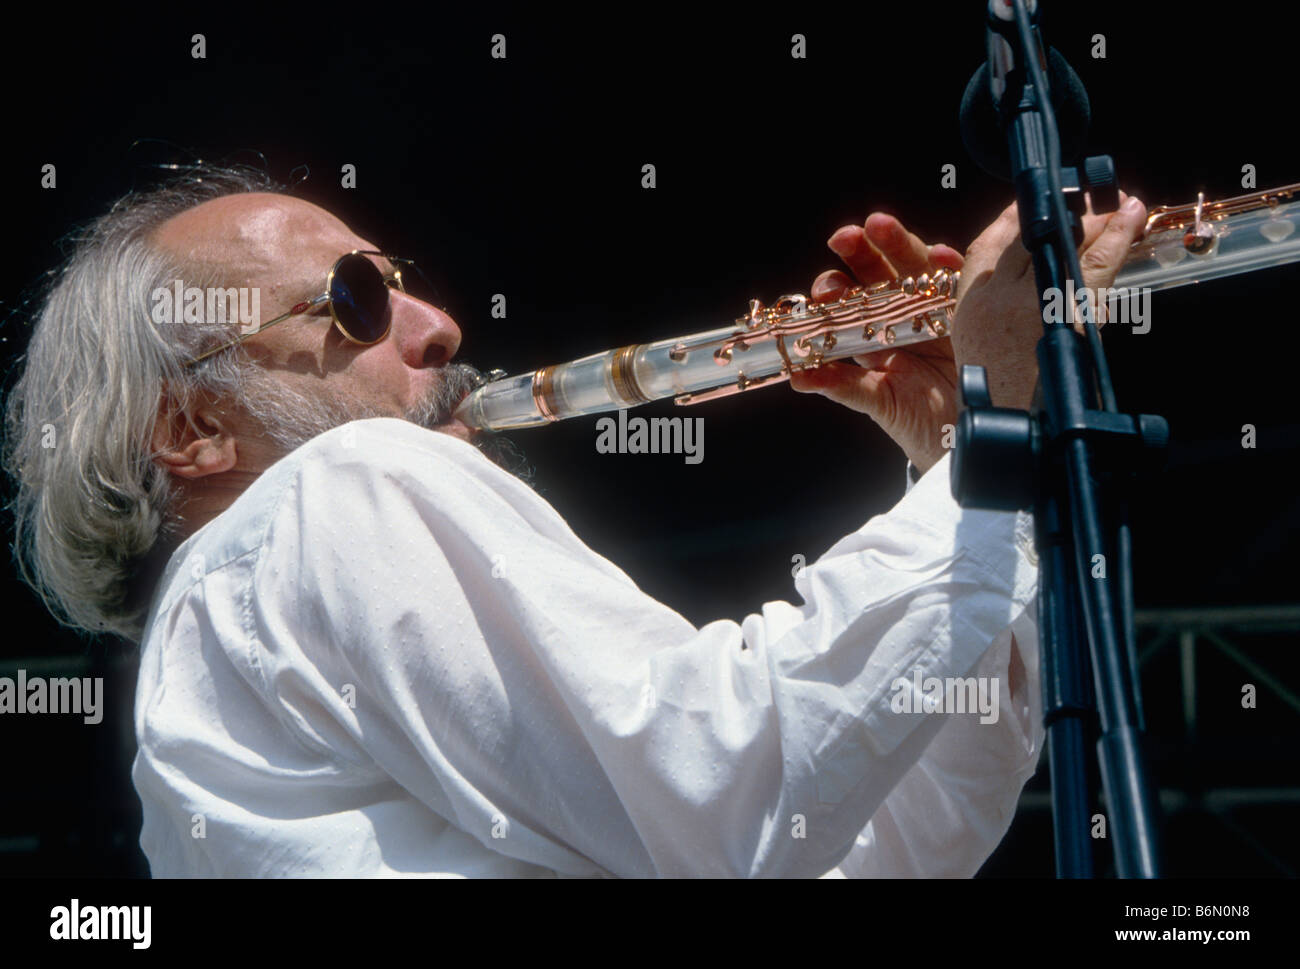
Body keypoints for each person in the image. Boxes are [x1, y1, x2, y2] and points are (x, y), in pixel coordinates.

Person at [3, 166, 1148, 876]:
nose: (440, 325)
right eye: (354, 299)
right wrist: (1003, 394)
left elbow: (876, 846)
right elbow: (726, 788)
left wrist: (964, 453)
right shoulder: (325, 492)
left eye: (403, 280)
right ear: (194, 427)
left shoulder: (204, 680)